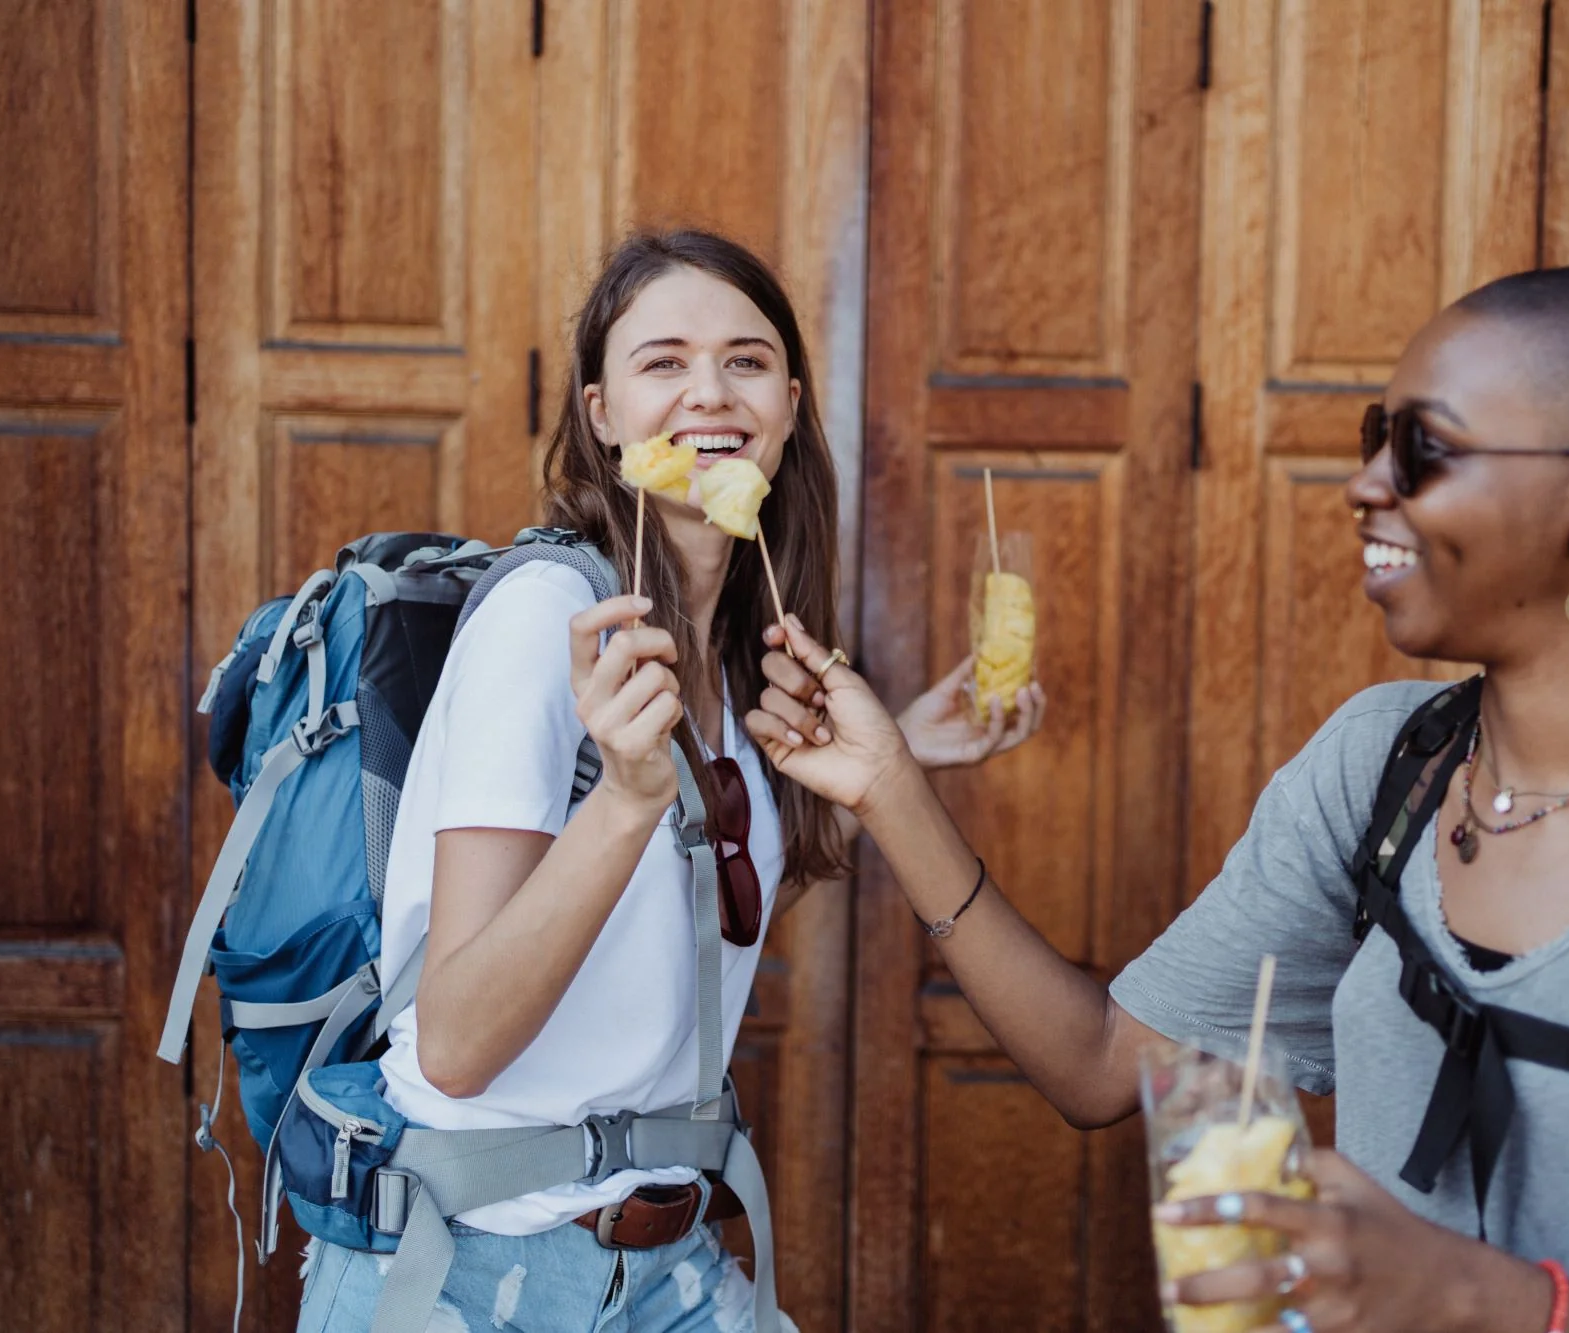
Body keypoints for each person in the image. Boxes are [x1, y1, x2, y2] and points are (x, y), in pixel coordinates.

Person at [743, 264, 1569, 1330]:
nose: (1364, 484)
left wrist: (1463, 1295)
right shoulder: (1385, 766)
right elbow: (1099, 1066)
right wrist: (889, 789)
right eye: (1376, 436)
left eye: (1422, 447)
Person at [295, 229, 1045, 1332]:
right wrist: (625, 800)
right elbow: (454, 1046)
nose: (711, 391)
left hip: (664, 1263)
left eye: (747, 361)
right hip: (469, 1266)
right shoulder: (549, 620)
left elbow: (687, 915)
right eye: (664, 362)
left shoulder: (738, 657)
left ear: (788, 408)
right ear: (602, 414)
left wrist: (903, 754)